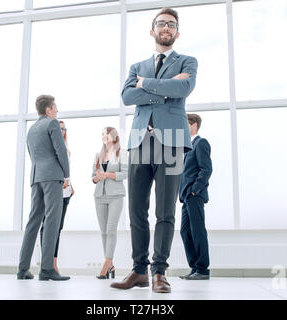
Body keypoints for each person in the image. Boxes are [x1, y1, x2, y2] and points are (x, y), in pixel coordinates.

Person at [110, 7, 197, 293]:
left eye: (171, 25)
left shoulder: (188, 61)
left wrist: (147, 85)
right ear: (152, 30)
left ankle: (159, 271)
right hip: (139, 142)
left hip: (172, 140)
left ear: (177, 32)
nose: (166, 28)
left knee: (165, 211)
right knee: (136, 210)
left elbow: (182, 91)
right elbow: (126, 96)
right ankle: (138, 271)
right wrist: (166, 87)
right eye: (161, 24)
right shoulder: (136, 66)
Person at [17, 95, 70, 281]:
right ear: (48, 110)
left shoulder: (31, 129)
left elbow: (32, 154)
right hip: (52, 177)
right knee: (51, 222)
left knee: (33, 222)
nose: (56, 110)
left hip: (36, 176)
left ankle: (22, 269)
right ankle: (47, 269)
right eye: (55, 107)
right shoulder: (52, 124)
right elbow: (61, 151)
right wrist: (66, 175)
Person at [179, 114, 212, 280]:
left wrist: (194, 190)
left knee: (197, 231)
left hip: (195, 195)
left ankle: (202, 270)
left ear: (193, 125)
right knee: (185, 232)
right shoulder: (188, 146)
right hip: (186, 197)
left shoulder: (201, 143)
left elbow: (206, 169)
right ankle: (194, 268)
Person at [92, 127, 128, 279]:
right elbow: (93, 177)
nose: (103, 136)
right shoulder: (98, 155)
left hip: (115, 195)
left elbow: (125, 174)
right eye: (102, 134)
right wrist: (97, 177)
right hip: (99, 195)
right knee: (104, 231)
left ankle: (106, 264)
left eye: (106, 134)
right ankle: (111, 265)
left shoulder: (123, 153)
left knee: (111, 230)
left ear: (113, 136)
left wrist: (108, 174)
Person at [40, 120, 74, 275]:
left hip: (66, 193)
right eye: (59, 129)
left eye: (64, 129)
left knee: (58, 229)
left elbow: (66, 168)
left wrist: (70, 185)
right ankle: (46, 263)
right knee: (47, 227)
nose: (62, 131)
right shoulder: (51, 146)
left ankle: (53, 263)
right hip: (53, 191)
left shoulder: (66, 148)